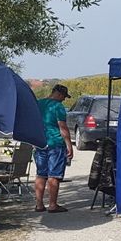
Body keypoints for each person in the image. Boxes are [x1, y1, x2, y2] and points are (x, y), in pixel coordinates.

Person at [33, 84, 74, 213]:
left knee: (40, 174)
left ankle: (39, 204)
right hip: (56, 144)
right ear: (59, 94)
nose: (64, 100)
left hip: (40, 143)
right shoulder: (58, 106)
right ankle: (52, 205)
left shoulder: (38, 104)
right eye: (64, 97)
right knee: (54, 175)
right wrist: (69, 145)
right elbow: (63, 127)